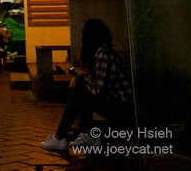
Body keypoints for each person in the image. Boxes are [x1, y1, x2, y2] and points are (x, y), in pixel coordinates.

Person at [41, 18, 134, 151]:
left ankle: (61, 137)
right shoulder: (105, 52)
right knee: (80, 93)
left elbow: (98, 90)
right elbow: (96, 83)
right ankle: (85, 135)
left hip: (121, 106)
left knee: (79, 94)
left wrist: (79, 77)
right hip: (117, 101)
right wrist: (80, 77)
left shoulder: (104, 55)